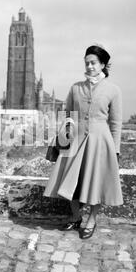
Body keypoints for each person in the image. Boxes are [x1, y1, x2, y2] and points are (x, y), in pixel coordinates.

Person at [44, 44, 123, 240]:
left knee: (96, 181)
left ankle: (92, 220)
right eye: (86, 63)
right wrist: (61, 139)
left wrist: (116, 149)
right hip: (76, 140)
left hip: (100, 143)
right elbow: (67, 115)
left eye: (93, 63)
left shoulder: (113, 90)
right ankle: (76, 216)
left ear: (102, 64)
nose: (89, 66)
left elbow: (115, 123)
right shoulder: (76, 88)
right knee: (70, 180)